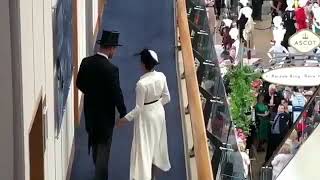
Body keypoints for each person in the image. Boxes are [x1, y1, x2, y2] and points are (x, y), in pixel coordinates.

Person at [76, 30, 127, 180]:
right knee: (103, 153)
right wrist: (123, 112)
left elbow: (79, 83)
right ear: (111, 48)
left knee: (95, 146)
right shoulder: (111, 70)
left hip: (90, 115)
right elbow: (117, 93)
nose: (115, 52)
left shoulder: (86, 62)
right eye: (115, 48)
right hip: (105, 118)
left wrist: (92, 94)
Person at [117, 49, 171, 180]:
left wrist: (124, 119)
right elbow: (167, 98)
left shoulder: (141, 84)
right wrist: (156, 106)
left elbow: (138, 109)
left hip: (145, 119)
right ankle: (153, 177)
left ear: (143, 64)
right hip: (159, 114)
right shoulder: (162, 76)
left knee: (144, 148)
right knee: (156, 146)